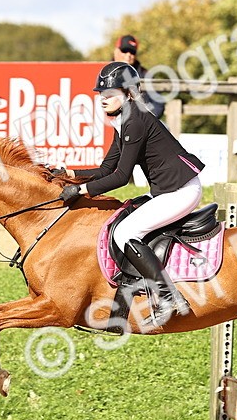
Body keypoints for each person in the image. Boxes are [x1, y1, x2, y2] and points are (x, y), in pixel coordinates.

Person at [61, 62, 205, 326]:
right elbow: (107, 168)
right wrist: (69, 174)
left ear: (128, 93)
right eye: (101, 95)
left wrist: (81, 190)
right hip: (171, 190)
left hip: (181, 191)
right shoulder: (125, 119)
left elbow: (120, 177)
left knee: (124, 232)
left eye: (110, 95)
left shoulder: (134, 121)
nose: (103, 100)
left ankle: (168, 296)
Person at [112, 34, 165, 118]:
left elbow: (158, 104)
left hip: (141, 123)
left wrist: (146, 120)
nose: (128, 55)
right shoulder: (102, 72)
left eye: (132, 52)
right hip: (110, 121)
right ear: (116, 51)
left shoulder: (146, 75)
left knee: (165, 129)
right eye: (124, 50)